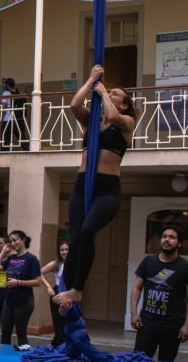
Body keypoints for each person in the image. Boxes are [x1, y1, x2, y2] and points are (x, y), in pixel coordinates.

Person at [53, 64, 138, 312]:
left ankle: (78, 289)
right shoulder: (90, 121)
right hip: (82, 184)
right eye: (109, 92)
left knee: (89, 230)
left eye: (115, 94)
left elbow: (111, 116)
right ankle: (65, 291)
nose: (109, 94)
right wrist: (91, 80)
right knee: (75, 237)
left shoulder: (126, 122)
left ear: (124, 104)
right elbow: (74, 105)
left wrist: (102, 93)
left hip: (108, 189)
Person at [129, 225, 188, 362]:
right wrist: (133, 313)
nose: (167, 240)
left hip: (172, 326)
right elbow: (137, 287)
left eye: (172, 237)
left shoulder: (186, 267)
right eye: (164, 236)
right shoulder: (148, 262)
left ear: (179, 243)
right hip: (147, 323)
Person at [0, 230, 42, 351]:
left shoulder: (31, 259)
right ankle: (5, 360)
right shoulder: (11, 258)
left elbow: (38, 281)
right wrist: (3, 251)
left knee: (21, 333)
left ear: (23, 240)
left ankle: (23, 360)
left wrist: (18, 283)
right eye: (11, 241)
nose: (13, 243)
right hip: (9, 300)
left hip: (24, 301)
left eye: (15, 240)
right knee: (5, 333)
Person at [40, 241, 70, 345]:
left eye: (66, 249)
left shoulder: (75, 263)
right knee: (58, 320)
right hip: (57, 291)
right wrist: (48, 287)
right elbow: (39, 272)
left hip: (70, 293)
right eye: (62, 250)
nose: (64, 252)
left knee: (69, 319)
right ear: (59, 251)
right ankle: (59, 343)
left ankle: (69, 343)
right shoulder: (56, 263)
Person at [0, 77, 27, 151]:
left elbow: (4, 106)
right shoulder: (18, 92)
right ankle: (28, 149)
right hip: (18, 119)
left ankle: (4, 153)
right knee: (21, 137)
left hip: (8, 119)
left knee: (6, 138)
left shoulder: (6, 93)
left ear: (7, 85)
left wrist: (1, 115)